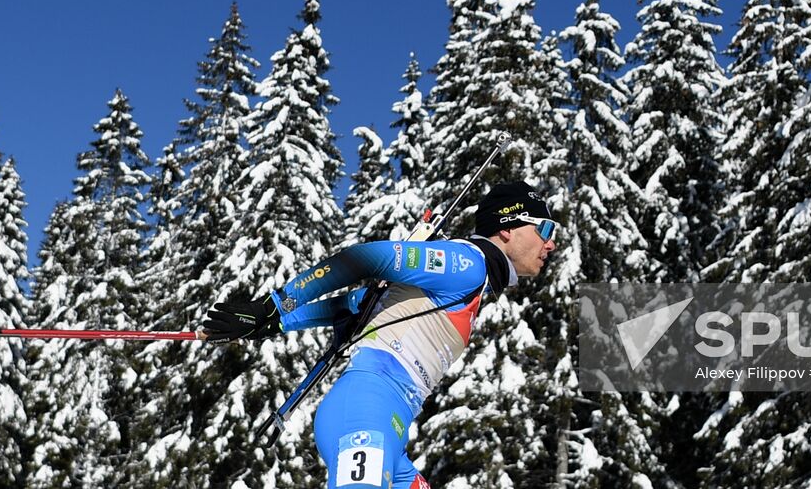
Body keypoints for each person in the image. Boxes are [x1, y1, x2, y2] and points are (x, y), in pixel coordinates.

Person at [202, 180, 558, 489]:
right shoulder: (468, 264)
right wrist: (276, 304)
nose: (551, 243)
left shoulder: (472, 283)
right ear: (508, 227)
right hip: (364, 413)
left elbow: (357, 305)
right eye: (544, 230)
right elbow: (365, 258)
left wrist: (277, 323)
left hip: (388, 426)